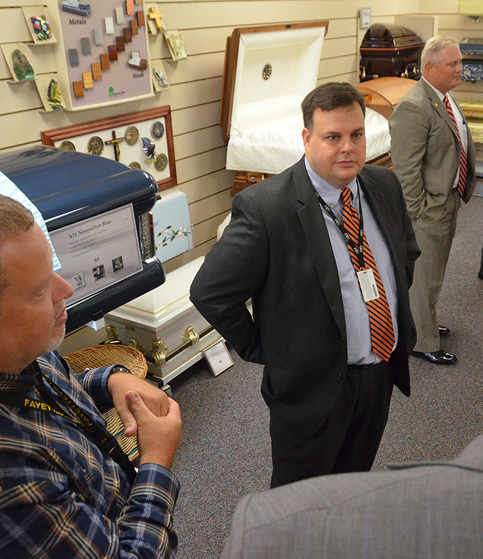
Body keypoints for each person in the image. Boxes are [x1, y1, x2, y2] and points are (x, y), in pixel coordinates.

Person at [0, 189, 182, 558]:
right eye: (41, 289)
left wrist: (111, 381)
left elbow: (36, 387)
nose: (66, 290)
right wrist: (156, 461)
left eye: (52, 272)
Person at [190, 82, 419, 488]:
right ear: (307, 139)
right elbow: (210, 291)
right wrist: (265, 348)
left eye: (356, 135)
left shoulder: (384, 186)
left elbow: (406, 257)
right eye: (333, 137)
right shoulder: (266, 208)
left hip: (378, 374)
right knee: (296, 503)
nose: (347, 147)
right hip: (311, 390)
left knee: (351, 483)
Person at [221, 432, 483, 558]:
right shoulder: (263, 533)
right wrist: (265, 349)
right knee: (291, 496)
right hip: (302, 381)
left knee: (355, 468)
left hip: (377, 374)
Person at [389, 35, 477, 365]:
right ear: (430, 67)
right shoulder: (413, 107)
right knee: (424, 276)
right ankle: (422, 341)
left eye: (460, 62)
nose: (461, 69)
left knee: (434, 273)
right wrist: (420, 212)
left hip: (447, 201)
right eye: (453, 63)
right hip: (430, 210)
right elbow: (406, 170)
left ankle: (422, 322)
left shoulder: (443, 96)